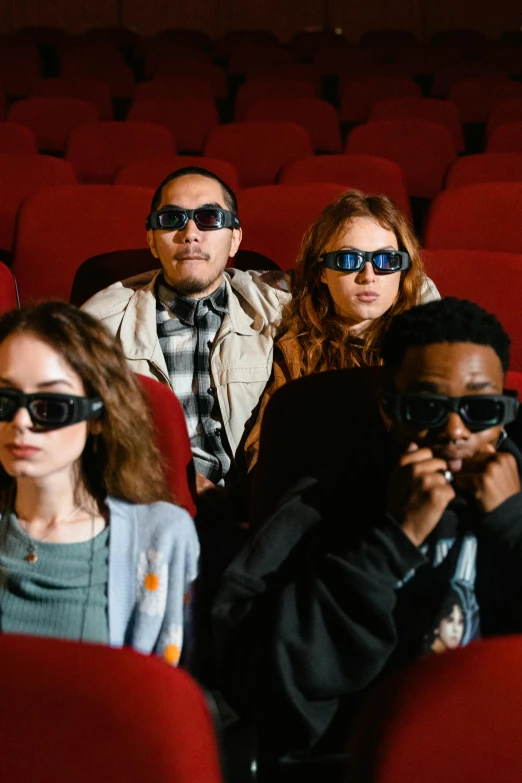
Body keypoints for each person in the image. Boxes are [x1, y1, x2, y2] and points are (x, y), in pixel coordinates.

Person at [213, 298, 522, 777]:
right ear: (388, 411)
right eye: (426, 408)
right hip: (353, 761)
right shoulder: (322, 503)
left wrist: (511, 523)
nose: (456, 431)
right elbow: (258, 678)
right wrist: (391, 543)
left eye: (481, 408)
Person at [82, 165, 290, 514]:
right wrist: (167, 479)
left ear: (235, 238)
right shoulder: (100, 325)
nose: (190, 233)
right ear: (151, 239)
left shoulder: (279, 306)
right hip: (149, 508)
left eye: (209, 218)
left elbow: (391, 289)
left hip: (258, 514)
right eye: (171, 219)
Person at [0, 301, 199, 664]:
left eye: (50, 404)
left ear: (97, 416)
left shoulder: (161, 538)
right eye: (3, 399)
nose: (21, 421)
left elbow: (170, 701)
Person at [244, 190, 439, 472]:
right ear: (322, 271)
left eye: (386, 261)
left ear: (402, 270)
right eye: (349, 260)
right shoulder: (296, 349)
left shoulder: (428, 349)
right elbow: (264, 451)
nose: (368, 276)